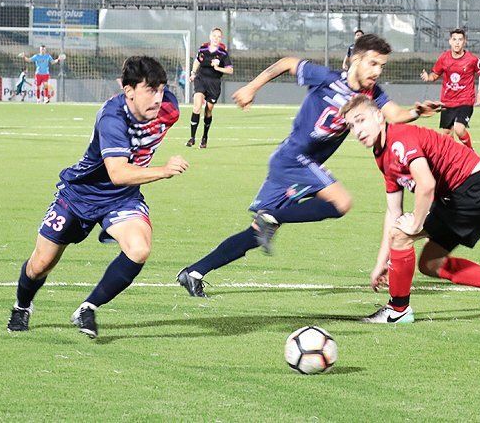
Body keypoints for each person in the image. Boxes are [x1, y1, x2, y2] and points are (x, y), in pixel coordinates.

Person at [176, 34, 441, 297]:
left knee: (257, 233)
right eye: (373, 63)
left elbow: (394, 114)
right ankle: (273, 217)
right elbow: (287, 63)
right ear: (357, 60)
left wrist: (416, 112)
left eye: (382, 66)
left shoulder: (372, 93)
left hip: (293, 164)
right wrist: (252, 87)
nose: (378, 71)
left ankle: (195, 272)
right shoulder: (327, 78)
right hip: (294, 159)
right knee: (341, 202)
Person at [7, 56, 188, 337]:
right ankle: (22, 306)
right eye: (150, 90)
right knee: (40, 264)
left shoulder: (169, 108)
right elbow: (117, 172)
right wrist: (163, 171)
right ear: (128, 91)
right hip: (80, 194)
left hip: (122, 198)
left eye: (162, 89)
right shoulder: (112, 117)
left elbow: (122, 181)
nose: (159, 97)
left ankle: (88, 308)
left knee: (139, 249)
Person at [339, 94, 480, 324]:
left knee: (402, 235)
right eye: (351, 125)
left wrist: (416, 224)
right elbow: (393, 212)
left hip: (473, 189)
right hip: (462, 193)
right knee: (430, 263)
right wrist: (381, 263)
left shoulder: (398, 140)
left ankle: (398, 310)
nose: (357, 130)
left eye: (361, 120)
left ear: (379, 117)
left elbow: (426, 185)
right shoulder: (381, 154)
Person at [420, 29, 480, 148]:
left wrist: (479, 94)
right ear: (450, 41)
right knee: (446, 135)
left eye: (460, 40)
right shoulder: (444, 58)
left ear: (464, 42)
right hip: (447, 102)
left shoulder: (472, 59)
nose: (457, 43)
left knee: (459, 129)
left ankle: (470, 152)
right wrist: (428, 77)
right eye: (454, 39)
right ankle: (453, 160)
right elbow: (435, 75)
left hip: (465, 100)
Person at [187, 28, 233, 148]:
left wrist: (218, 68)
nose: (216, 38)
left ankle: (205, 137)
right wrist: (193, 73)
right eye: (214, 36)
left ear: (220, 39)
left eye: (218, 37)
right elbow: (197, 61)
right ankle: (192, 138)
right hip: (201, 80)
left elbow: (230, 70)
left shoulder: (223, 53)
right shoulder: (203, 49)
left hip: (214, 84)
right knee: (197, 106)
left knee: (208, 110)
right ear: (210, 36)